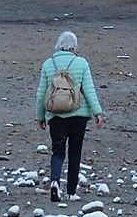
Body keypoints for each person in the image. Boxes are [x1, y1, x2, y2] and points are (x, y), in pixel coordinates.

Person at [34, 30, 103, 201]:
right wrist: (98, 112)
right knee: (75, 151)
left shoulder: (48, 64)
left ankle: (55, 182)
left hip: (55, 114)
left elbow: (42, 93)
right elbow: (89, 90)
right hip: (78, 115)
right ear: (74, 45)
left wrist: (40, 116)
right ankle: (72, 192)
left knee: (57, 151)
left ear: (58, 44)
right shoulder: (81, 63)